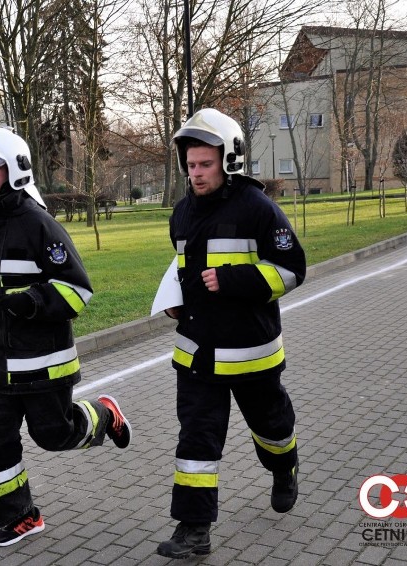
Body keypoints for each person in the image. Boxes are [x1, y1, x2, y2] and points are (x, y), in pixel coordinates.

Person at [0, 126, 132, 548]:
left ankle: (104, 413)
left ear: (16, 170)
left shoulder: (39, 225)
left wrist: (33, 302)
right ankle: (21, 517)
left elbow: (77, 289)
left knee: (55, 437)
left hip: (44, 366)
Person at [155, 109, 306, 559]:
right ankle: (193, 529)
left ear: (229, 160)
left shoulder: (259, 209)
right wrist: (175, 300)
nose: (196, 174)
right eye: (191, 164)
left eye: (205, 164)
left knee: (272, 427)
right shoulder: (181, 213)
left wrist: (235, 280)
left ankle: (285, 468)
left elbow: (291, 270)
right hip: (197, 352)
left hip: (251, 354)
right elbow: (183, 270)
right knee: (197, 440)